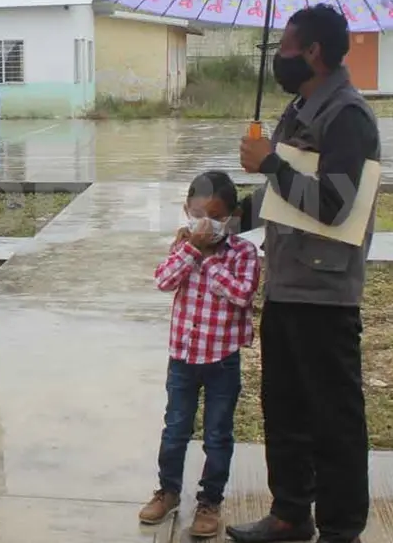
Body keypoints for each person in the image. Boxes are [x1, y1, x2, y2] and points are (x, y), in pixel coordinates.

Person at [228, 4, 379, 543]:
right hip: (288, 280)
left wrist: (271, 161)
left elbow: (335, 202)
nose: (280, 59)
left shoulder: (348, 117)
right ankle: (291, 514)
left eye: (286, 49)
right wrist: (229, 218)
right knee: (285, 407)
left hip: (327, 291)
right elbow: (280, 195)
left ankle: (342, 530)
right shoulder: (299, 110)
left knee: (333, 419)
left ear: (313, 51)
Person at [140, 171, 260, 539]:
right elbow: (163, 281)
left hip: (222, 360)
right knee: (175, 427)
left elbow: (242, 295)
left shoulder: (243, 253)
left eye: (215, 216)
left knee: (217, 433)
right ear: (186, 210)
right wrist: (192, 249)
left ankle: (210, 501)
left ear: (231, 216)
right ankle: (168, 490)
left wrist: (209, 259)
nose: (205, 224)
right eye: (196, 214)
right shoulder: (183, 246)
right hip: (183, 358)